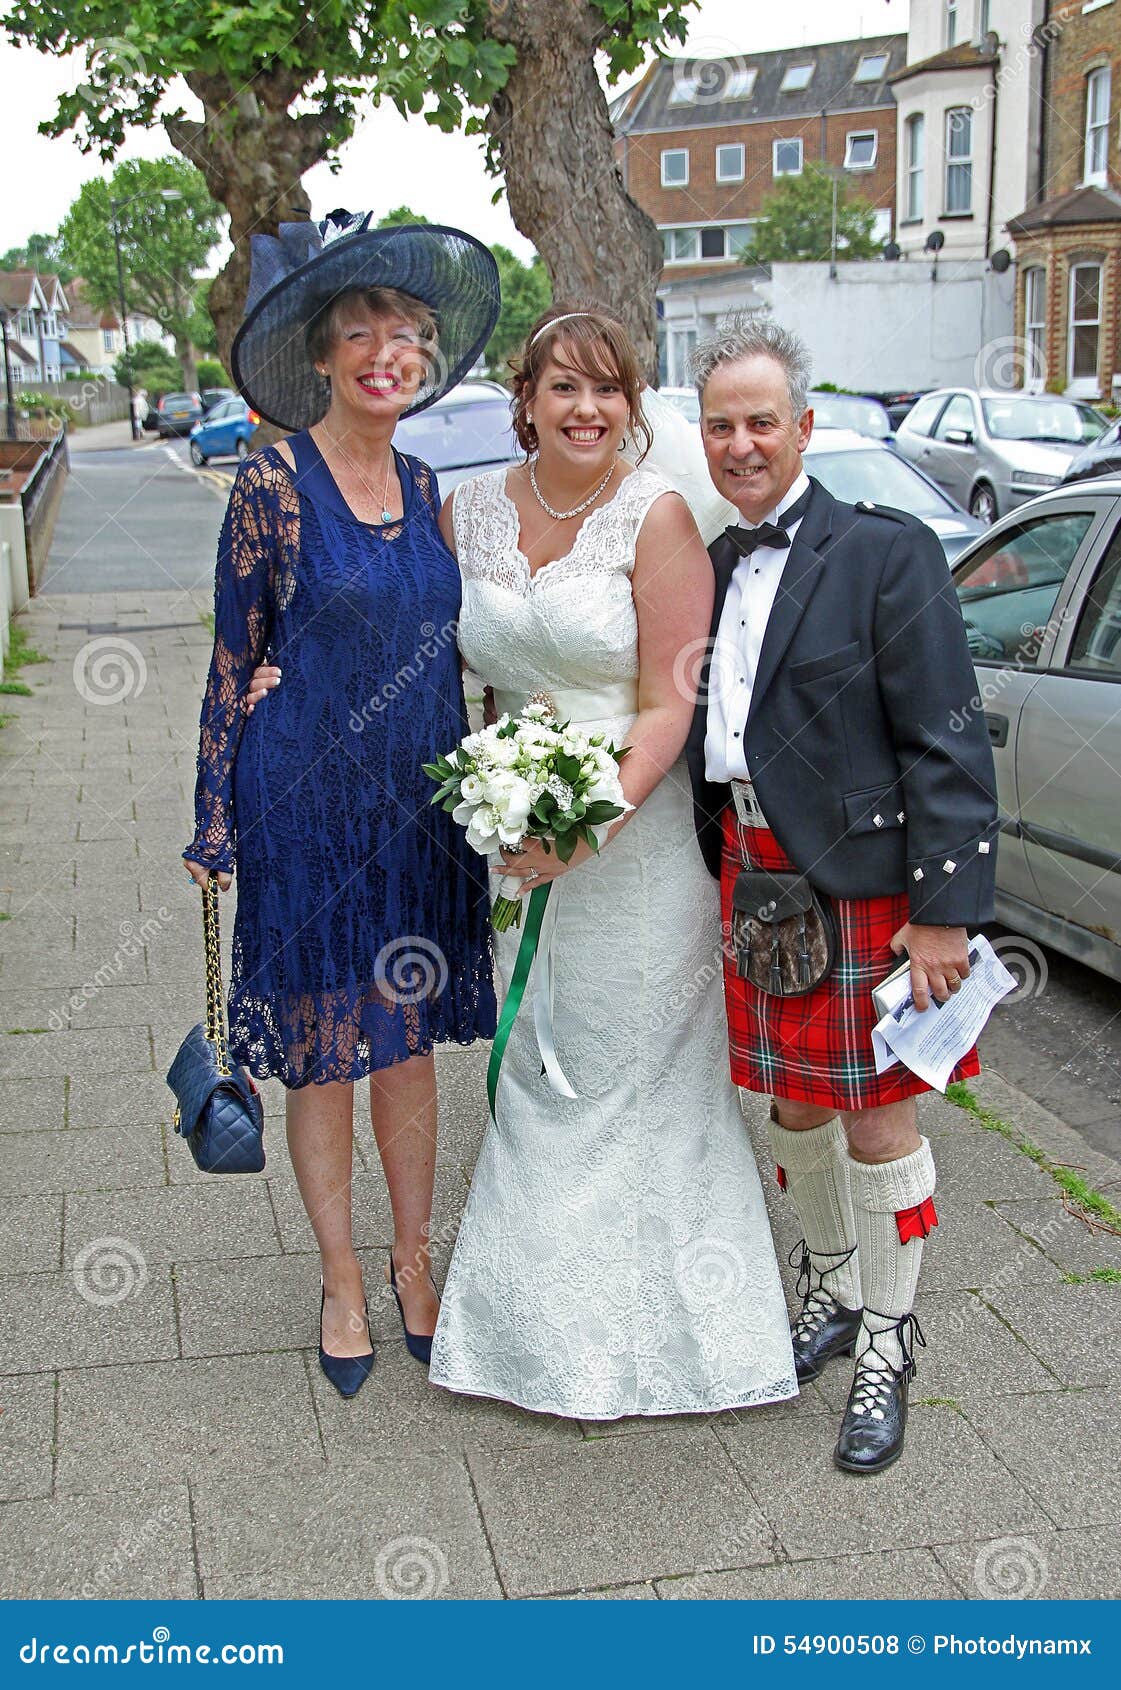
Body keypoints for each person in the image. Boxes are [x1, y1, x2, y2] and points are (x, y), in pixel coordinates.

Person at [422, 302, 797, 1419]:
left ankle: (683, 1345)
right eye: (561, 388)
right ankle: (529, 1337)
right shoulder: (467, 513)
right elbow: (465, 676)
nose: (585, 409)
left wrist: (578, 827)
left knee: (636, 1086)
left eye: (606, 389)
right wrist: (500, 806)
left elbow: (666, 707)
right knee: (541, 1071)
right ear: (524, 401)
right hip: (516, 837)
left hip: (628, 853)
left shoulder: (657, 517)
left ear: (631, 406)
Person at [181, 212, 501, 1399]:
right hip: (304, 813)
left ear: (420, 356)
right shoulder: (268, 484)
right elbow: (232, 659)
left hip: (414, 816)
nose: (385, 351)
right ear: (320, 356)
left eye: (403, 333)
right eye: (359, 332)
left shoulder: (426, 485)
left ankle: (415, 1262)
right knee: (321, 1056)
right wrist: (211, 819)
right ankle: (339, 1278)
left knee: (406, 1052)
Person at [684, 315, 999, 1473]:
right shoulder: (709, 567)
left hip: (863, 884)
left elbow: (944, 737)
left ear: (803, 427)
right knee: (794, 1109)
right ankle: (825, 1280)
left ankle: (886, 1336)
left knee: (879, 1116)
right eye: (719, 424)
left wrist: (944, 909)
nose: (740, 442)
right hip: (751, 875)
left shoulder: (883, 551)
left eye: (760, 420)